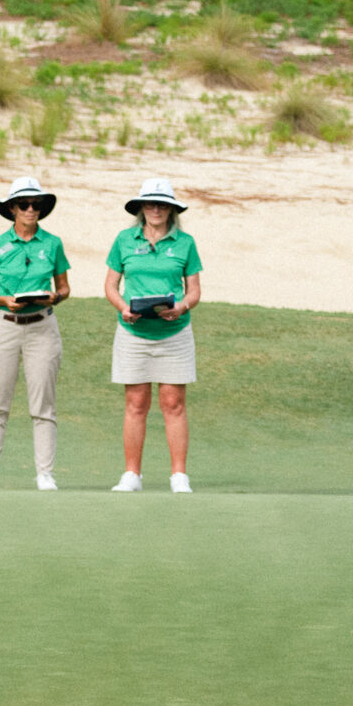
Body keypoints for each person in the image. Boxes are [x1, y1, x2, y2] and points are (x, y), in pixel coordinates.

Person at [0, 174, 71, 492]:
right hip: (3, 325)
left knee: (43, 404)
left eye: (36, 205)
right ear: (12, 209)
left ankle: (45, 474)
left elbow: (64, 286)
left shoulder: (52, 244)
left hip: (42, 326)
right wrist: (2, 299)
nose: (30, 210)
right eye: (24, 204)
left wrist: (56, 296)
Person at [104, 177, 203, 494]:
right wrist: (123, 308)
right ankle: (132, 474)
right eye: (150, 203)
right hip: (134, 332)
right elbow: (110, 285)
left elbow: (194, 290)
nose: (156, 209)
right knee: (136, 403)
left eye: (162, 204)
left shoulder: (185, 243)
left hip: (174, 332)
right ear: (141, 208)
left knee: (173, 402)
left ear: (172, 209)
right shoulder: (124, 240)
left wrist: (182, 307)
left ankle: (179, 476)